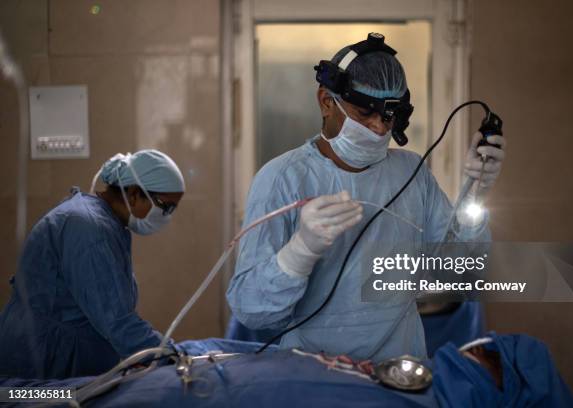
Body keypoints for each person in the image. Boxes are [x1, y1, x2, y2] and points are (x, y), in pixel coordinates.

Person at [226, 34, 506, 362]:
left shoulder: (411, 172)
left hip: (399, 373)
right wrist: (298, 253)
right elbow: (252, 312)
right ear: (326, 102)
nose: (377, 128)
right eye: (364, 113)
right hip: (314, 375)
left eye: (387, 117)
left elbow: (458, 271)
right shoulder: (281, 179)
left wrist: (474, 191)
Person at [0, 149, 185, 379]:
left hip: (66, 356)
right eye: (165, 206)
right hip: (43, 361)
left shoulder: (108, 225)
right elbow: (116, 319)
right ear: (135, 193)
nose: (167, 216)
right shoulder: (88, 228)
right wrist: (170, 356)